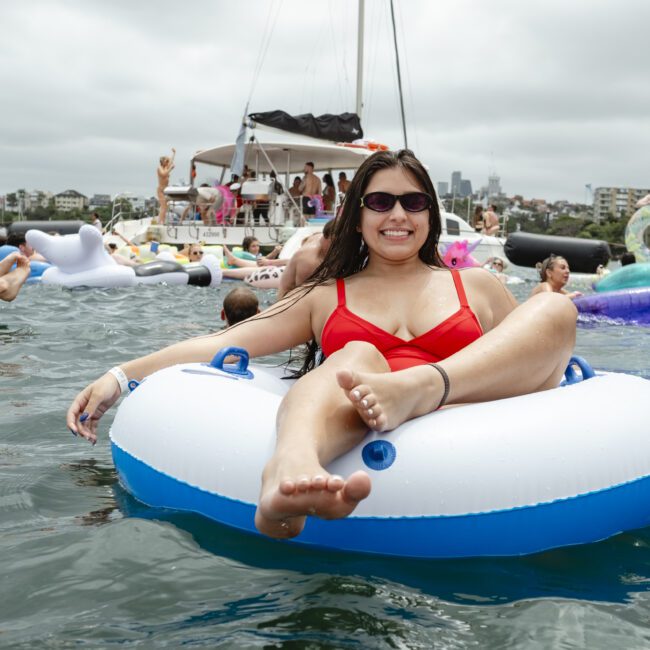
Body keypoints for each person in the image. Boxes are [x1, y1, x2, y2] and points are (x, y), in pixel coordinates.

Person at [67, 149, 576, 541]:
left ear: (429, 215)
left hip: (456, 403)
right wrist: (119, 376)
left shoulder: (477, 285)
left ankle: (423, 386)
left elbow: (528, 355)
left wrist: (428, 383)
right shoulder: (323, 296)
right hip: (356, 408)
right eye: (380, 202)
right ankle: (289, 471)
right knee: (356, 357)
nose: (397, 214)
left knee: (556, 308)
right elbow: (224, 341)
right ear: (358, 216)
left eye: (413, 201)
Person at [276, 219, 335, 300]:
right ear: (329, 238)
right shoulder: (310, 261)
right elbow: (303, 298)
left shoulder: (318, 236)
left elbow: (304, 241)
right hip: (288, 302)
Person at [156, 148, 176, 225]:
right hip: (161, 190)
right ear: (163, 162)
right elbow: (164, 174)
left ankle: (162, 222)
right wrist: (171, 169)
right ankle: (159, 223)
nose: (168, 162)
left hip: (166, 190)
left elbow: (171, 160)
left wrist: (174, 153)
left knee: (165, 207)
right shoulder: (160, 168)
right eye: (166, 161)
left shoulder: (166, 167)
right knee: (163, 207)